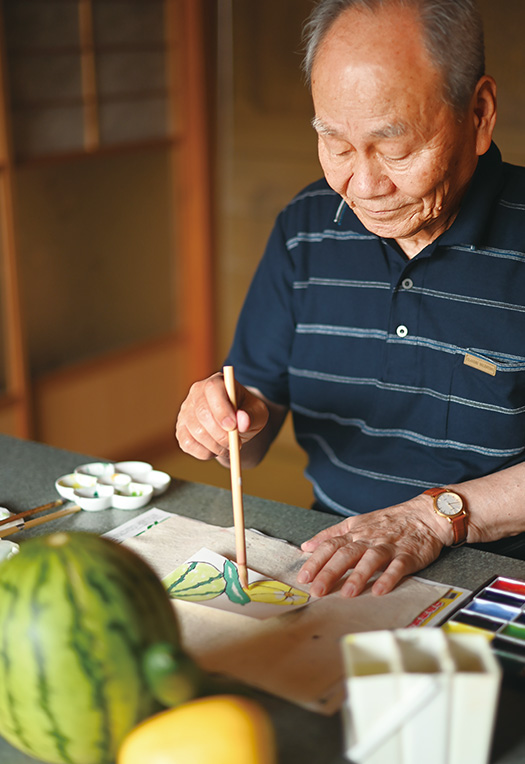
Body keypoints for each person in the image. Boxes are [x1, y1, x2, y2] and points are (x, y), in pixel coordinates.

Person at [176, 0, 525, 599]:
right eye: (336, 145)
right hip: (338, 560)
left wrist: (432, 518)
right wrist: (227, 420)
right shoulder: (305, 227)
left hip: (498, 578)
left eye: (396, 148)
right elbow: (254, 429)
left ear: (479, 112)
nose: (362, 187)